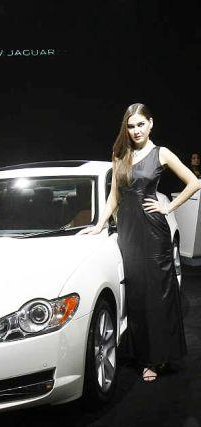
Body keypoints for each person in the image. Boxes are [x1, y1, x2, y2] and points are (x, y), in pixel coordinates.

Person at [76, 103, 201, 382]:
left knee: (158, 295)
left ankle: (156, 359)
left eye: (140, 124)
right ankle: (141, 350)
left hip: (154, 233)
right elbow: (113, 198)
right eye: (130, 126)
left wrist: (168, 208)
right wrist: (98, 225)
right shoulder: (120, 155)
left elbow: (194, 182)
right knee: (136, 295)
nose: (135, 131)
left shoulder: (162, 153)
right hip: (129, 234)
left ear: (151, 124)